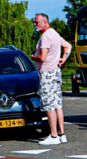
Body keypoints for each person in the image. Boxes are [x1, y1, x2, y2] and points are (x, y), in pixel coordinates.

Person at [30, 12, 71, 146]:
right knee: (57, 104)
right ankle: (62, 134)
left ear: (45, 22)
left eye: (37, 22)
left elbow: (42, 57)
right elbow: (68, 46)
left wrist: (33, 57)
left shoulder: (46, 36)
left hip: (47, 72)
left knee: (49, 104)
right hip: (56, 71)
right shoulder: (55, 34)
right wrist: (63, 59)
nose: (35, 25)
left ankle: (53, 135)